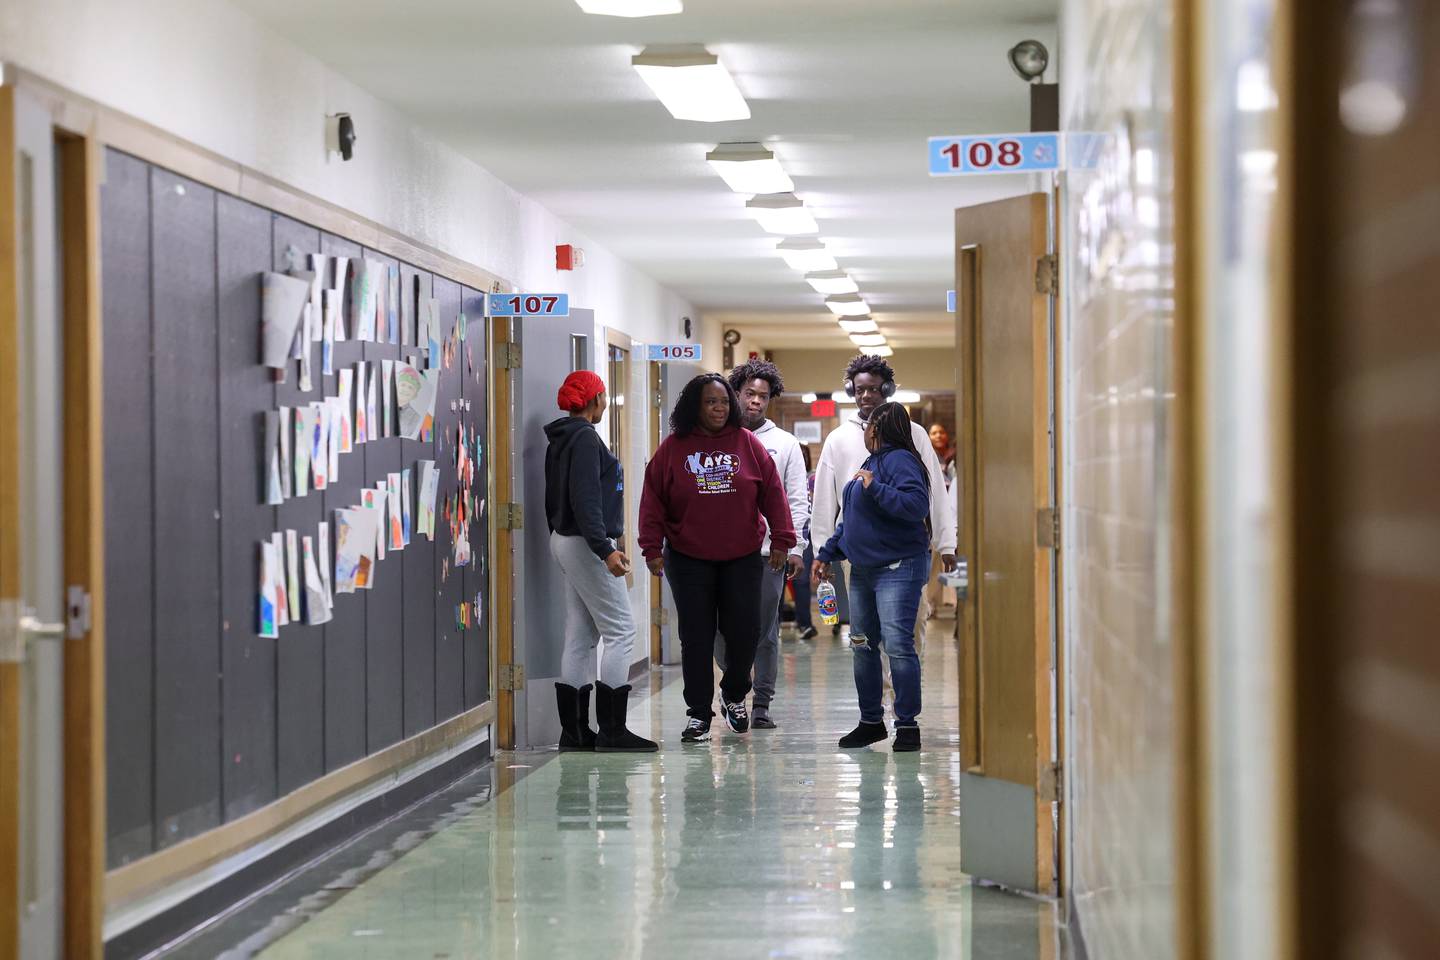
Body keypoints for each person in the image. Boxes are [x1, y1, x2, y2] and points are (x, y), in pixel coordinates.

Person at [639, 373, 796, 743]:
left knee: (745, 631)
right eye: (711, 402)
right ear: (696, 405)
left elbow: (773, 492)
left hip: (741, 556)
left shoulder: (747, 444)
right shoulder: (674, 447)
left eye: (724, 402)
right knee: (696, 637)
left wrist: (783, 539)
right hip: (687, 557)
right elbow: (653, 500)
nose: (719, 408)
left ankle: (734, 694)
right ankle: (698, 714)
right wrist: (651, 546)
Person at [543, 370, 657, 753]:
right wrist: (604, 548)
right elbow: (586, 498)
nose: (606, 402)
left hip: (565, 539)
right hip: (586, 542)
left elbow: (556, 499)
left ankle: (574, 733)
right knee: (622, 630)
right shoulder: (586, 439)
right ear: (593, 400)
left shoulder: (561, 438)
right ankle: (612, 731)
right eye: (604, 396)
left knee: (581, 634)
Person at [810, 355, 957, 646]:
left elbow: (934, 492)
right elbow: (826, 501)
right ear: (852, 391)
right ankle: (878, 693)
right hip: (859, 549)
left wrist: (946, 543)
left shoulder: (913, 433)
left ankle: (901, 692)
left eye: (874, 389)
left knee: (910, 630)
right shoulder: (838, 439)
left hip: (907, 548)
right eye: (860, 389)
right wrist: (821, 551)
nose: (866, 396)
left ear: (887, 390)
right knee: (866, 636)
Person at [813, 401, 932, 751]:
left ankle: (907, 725)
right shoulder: (870, 463)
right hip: (864, 570)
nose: (862, 431)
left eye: (867, 426)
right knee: (862, 646)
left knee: (897, 646)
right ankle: (870, 722)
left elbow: (916, 507)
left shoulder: (901, 461)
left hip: (898, 568)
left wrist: (875, 488)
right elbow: (852, 520)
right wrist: (827, 553)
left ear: (876, 430)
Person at [713, 360, 809, 729]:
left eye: (762, 397)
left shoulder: (784, 445)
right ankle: (736, 685)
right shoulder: (718, 438)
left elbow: (797, 499)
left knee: (765, 631)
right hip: (723, 551)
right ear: (735, 394)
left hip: (771, 552)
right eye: (749, 394)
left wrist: (796, 546)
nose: (755, 401)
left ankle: (762, 704)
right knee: (721, 629)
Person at [791, 443, 819, 640]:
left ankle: (805, 624)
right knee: (778, 580)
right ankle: (772, 626)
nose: (801, 458)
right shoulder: (784, 476)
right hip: (784, 532)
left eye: (804, 454)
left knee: (801, 580)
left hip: (807, 533)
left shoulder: (814, 478)